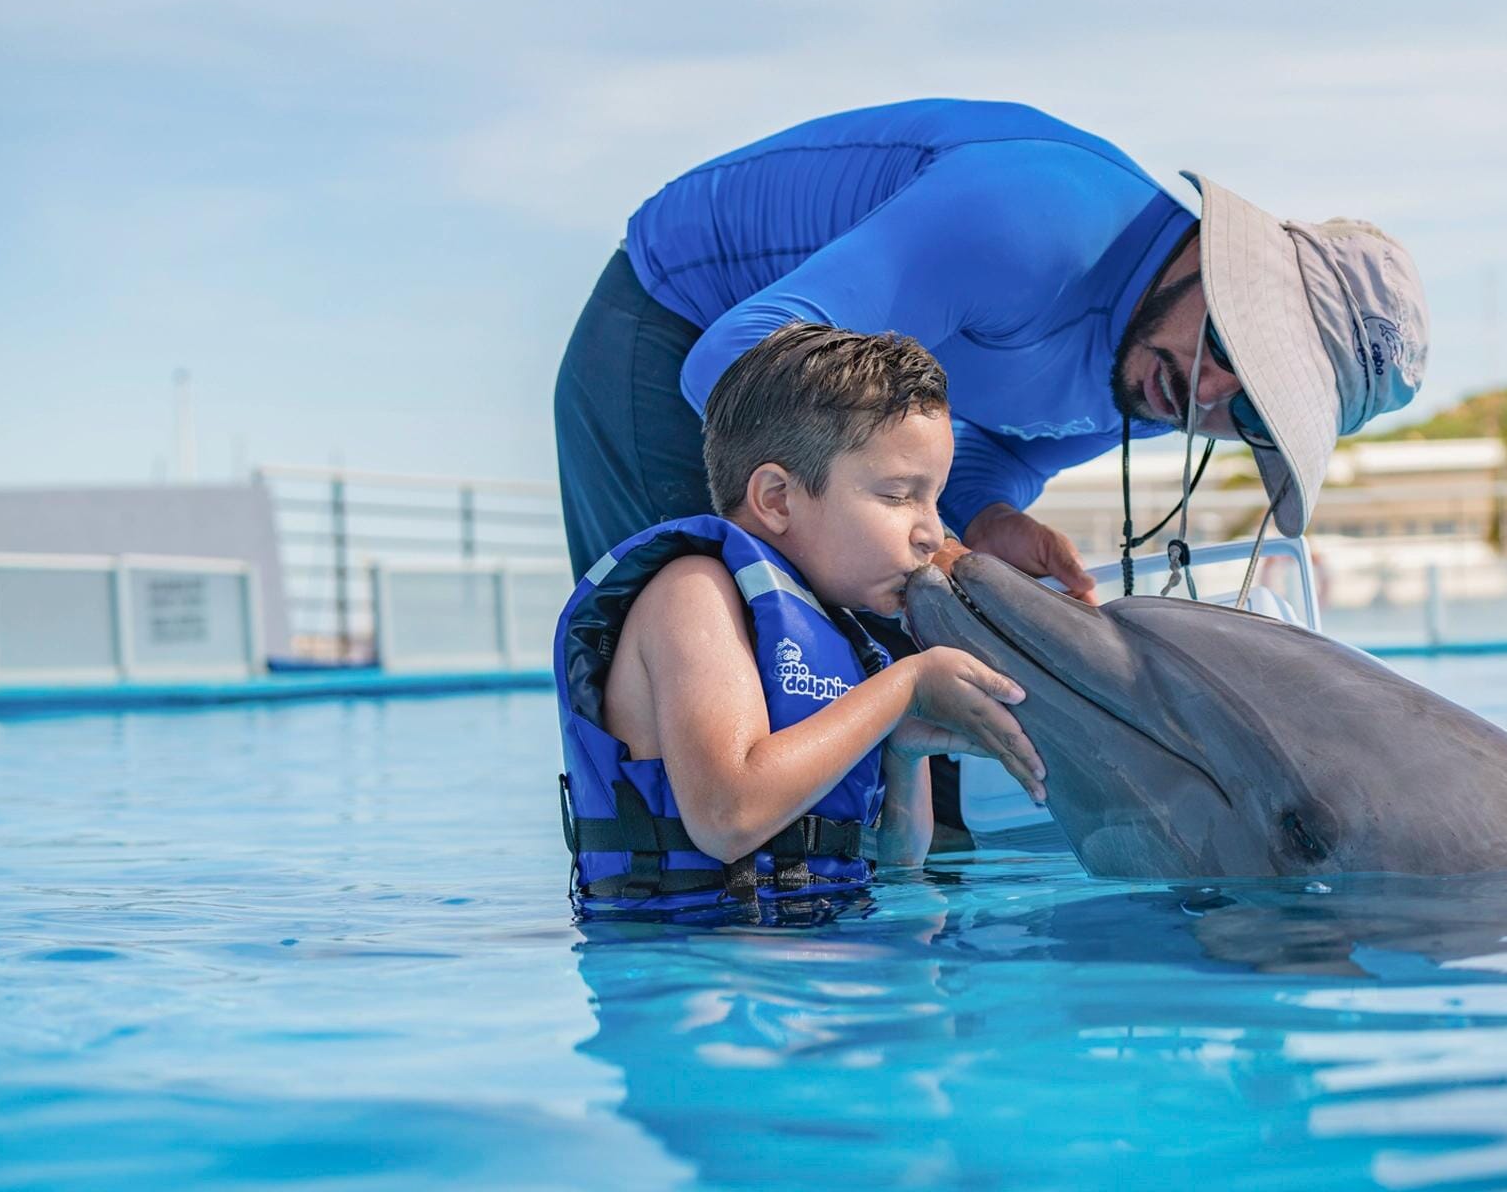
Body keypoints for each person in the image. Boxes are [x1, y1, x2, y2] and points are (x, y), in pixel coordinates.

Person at [555, 97, 1431, 598]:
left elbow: (991, 462)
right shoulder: (1034, 219)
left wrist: (989, 521)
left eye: (1254, 406)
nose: (1214, 393)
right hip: (670, 321)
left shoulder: (1165, 382)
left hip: (788, 401)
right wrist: (925, 540)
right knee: (695, 652)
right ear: (1220, 262)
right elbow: (733, 360)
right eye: (1242, 343)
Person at [553, 323, 1047, 915]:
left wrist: (902, 749)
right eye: (897, 495)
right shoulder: (694, 594)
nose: (932, 532)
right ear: (778, 499)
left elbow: (894, 862)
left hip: (805, 955)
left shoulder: (839, 633)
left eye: (934, 498)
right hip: (690, 967)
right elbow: (728, 816)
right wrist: (905, 687)